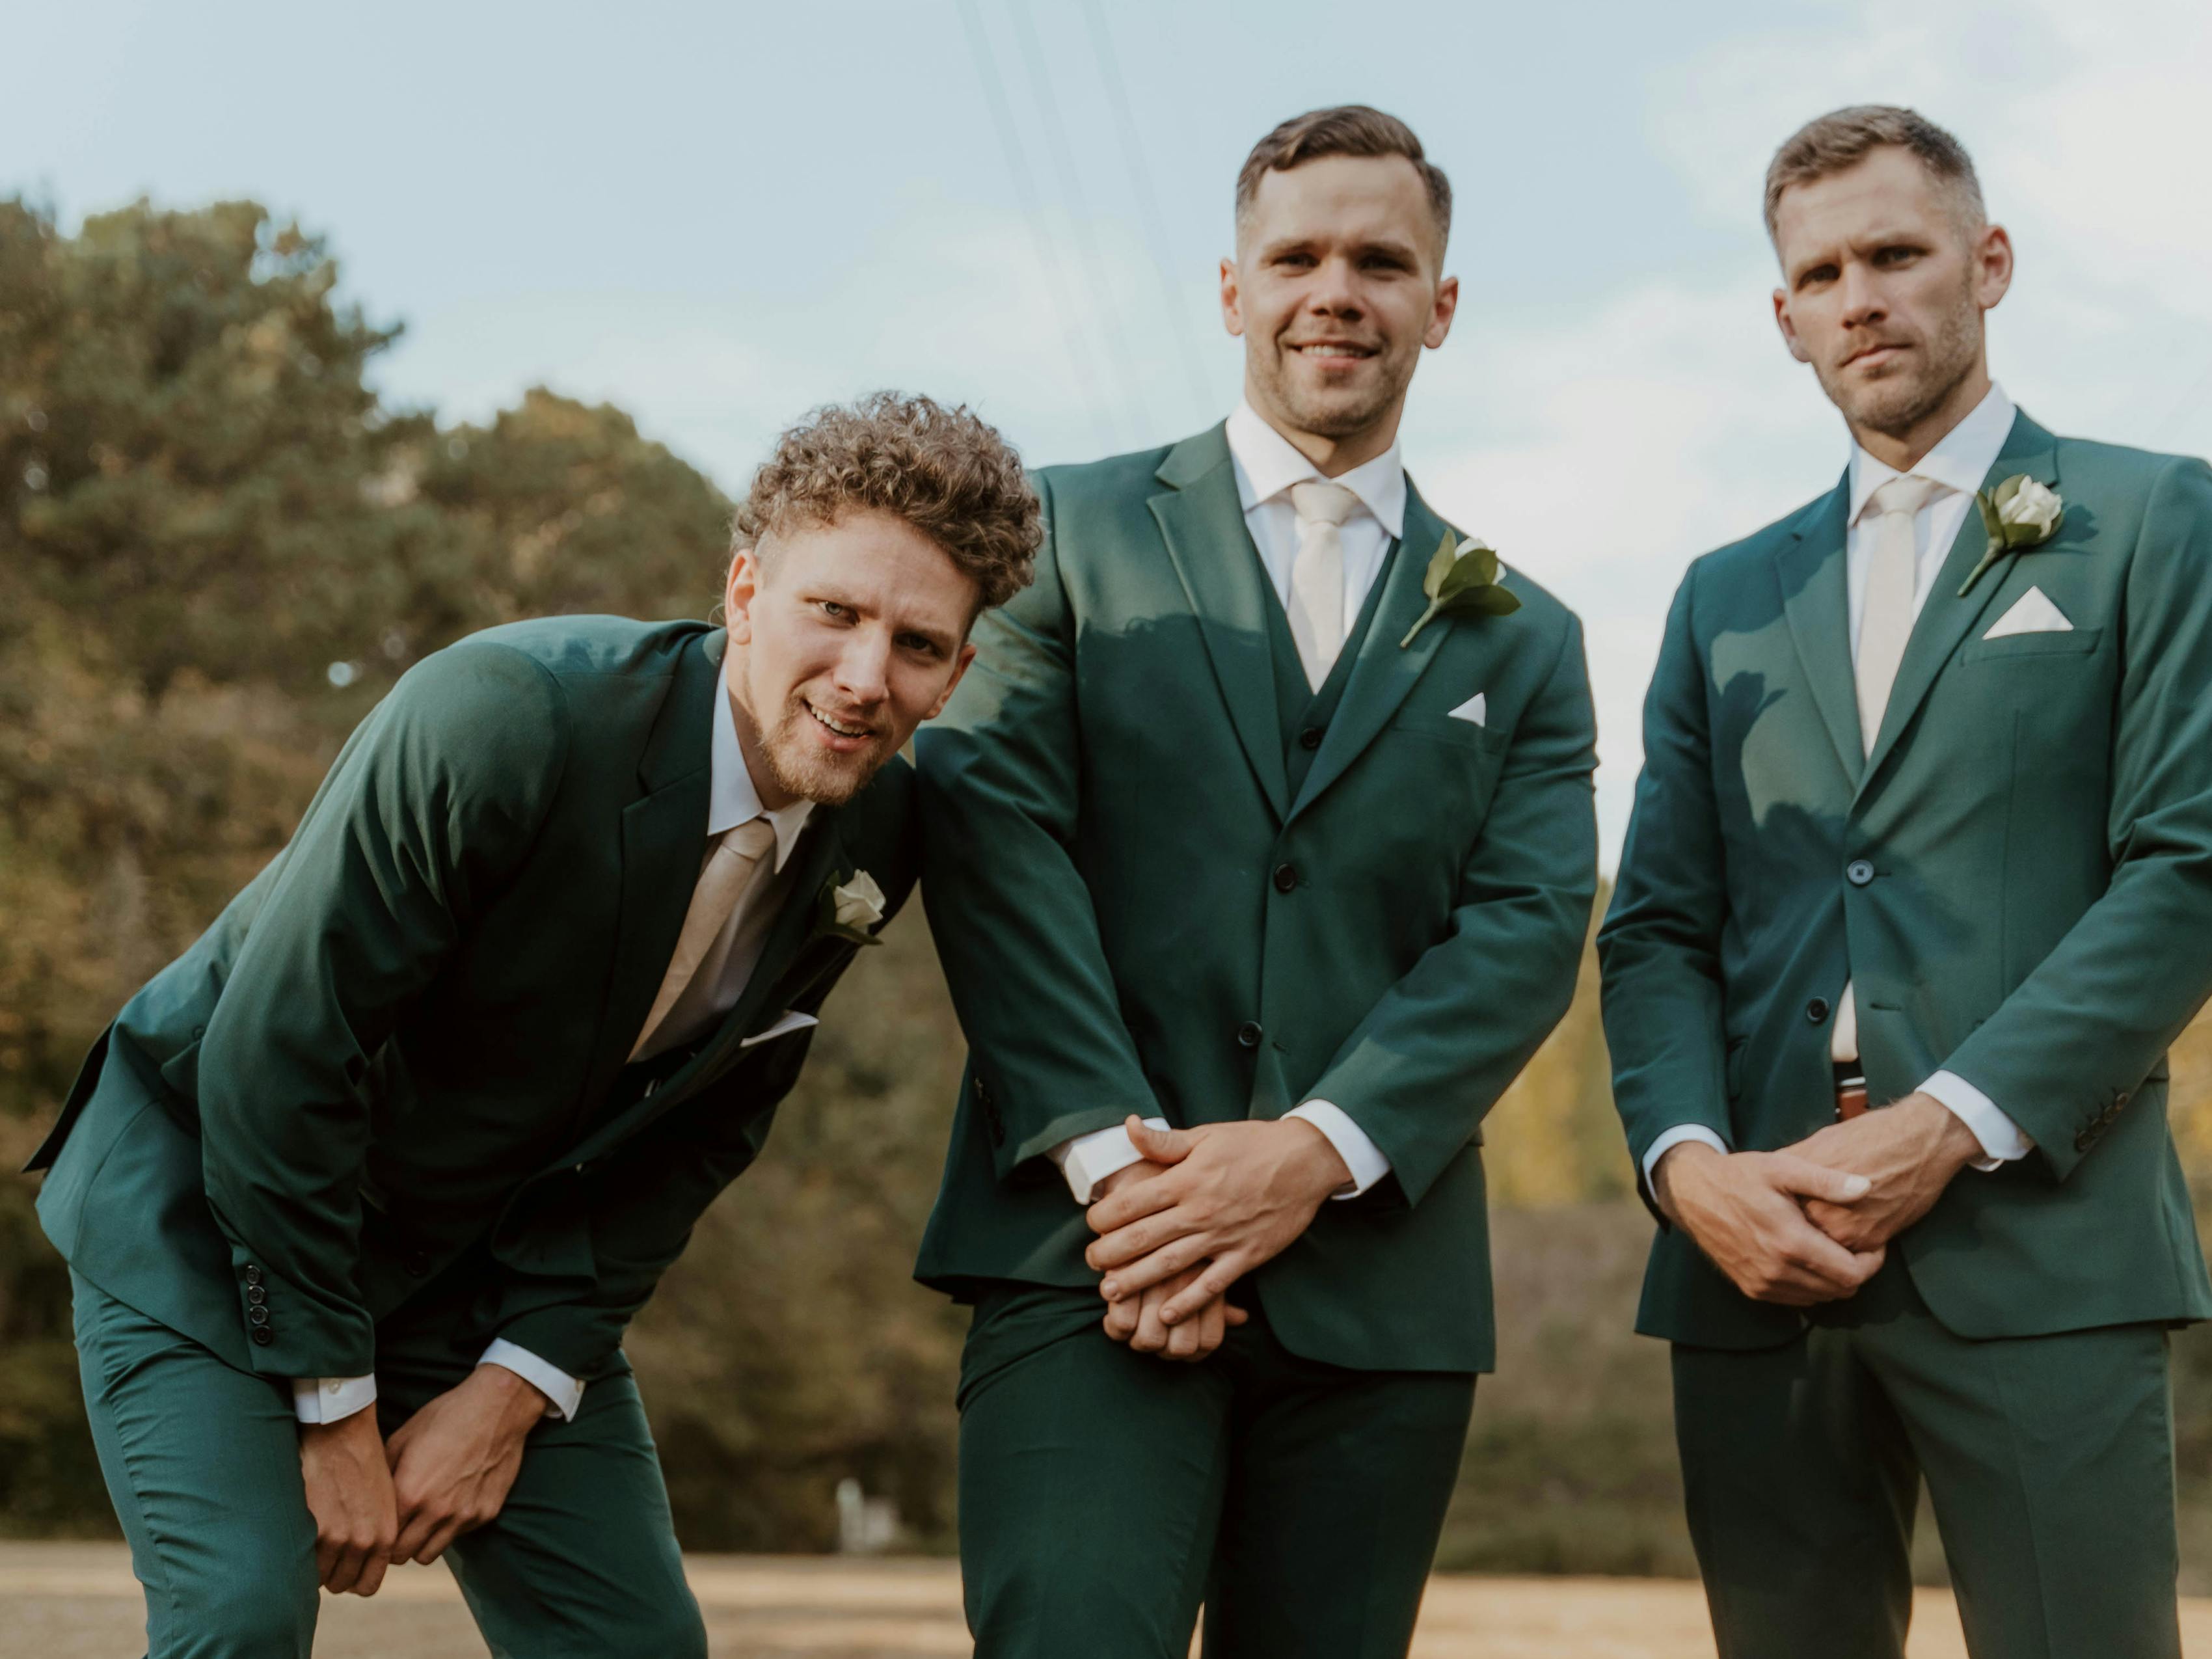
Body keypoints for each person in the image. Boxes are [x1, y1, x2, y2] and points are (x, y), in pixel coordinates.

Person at [27, 393, 1038, 1658]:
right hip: (212, 1202)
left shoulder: (879, 836)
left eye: (917, 644)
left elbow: (696, 1137)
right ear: (742, 592)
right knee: (239, 1618)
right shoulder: (502, 716)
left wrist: (512, 1388)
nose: (862, 678)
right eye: (831, 613)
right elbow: (280, 1058)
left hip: (479, 1263)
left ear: (956, 673)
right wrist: (336, 1407)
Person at [914, 105, 1598, 1658]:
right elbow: (987, 833)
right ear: (1232, 290)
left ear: (1440, 302)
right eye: (1295, 255)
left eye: (1380, 259)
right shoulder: (1056, 533)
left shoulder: (1526, 634)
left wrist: (1306, 1155)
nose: (1334, 289)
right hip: (1085, 1254)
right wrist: (1124, 1179)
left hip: (1378, 1285)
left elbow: (1524, 931)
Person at [1599, 105, 2212, 1659]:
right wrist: (1686, 1170)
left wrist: (1949, 1129)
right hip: (1755, 1255)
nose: (1858, 295)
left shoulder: (2149, 519)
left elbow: (2183, 867)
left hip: (2041, 1241)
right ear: (1783, 316)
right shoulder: (1723, 595)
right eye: (1820, 271)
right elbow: (1659, 925)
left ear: (1986, 263)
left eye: (1894, 252)